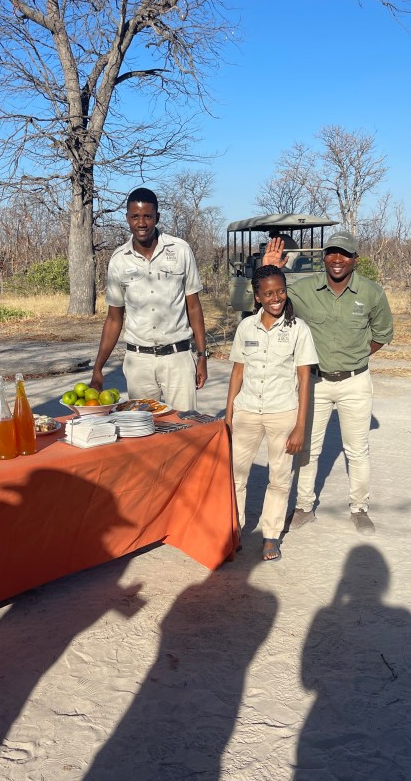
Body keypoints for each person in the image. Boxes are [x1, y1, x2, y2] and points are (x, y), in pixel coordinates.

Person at [263, 230, 393, 534]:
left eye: (345, 254)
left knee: (357, 449)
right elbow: (269, 306)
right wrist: (270, 269)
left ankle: (359, 508)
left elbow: (383, 333)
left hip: (355, 382)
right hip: (315, 383)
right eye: (332, 252)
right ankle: (304, 507)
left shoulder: (371, 292)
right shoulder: (303, 290)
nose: (337, 259)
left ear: (355, 259)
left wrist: (356, 355)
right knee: (307, 448)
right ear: (324, 257)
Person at [225, 264, 318, 562]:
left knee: (279, 477)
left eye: (280, 291)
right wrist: (229, 414)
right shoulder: (246, 328)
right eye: (268, 293)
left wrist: (300, 426)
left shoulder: (298, 329)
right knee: (235, 475)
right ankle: (233, 531)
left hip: (283, 413)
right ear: (257, 297)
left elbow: (304, 379)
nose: (275, 298)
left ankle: (271, 535)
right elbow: (237, 372)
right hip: (247, 411)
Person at [90, 187, 208, 410]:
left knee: (184, 424)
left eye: (147, 216)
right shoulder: (119, 260)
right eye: (135, 216)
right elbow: (114, 319)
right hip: (139, 361)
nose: (141, 223)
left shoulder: (180, 250)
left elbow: (194, 307)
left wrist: (202, 356)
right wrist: (98, 367)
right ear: (127, 218)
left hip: (178, 358)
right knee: (142, 425)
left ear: (157, 217)